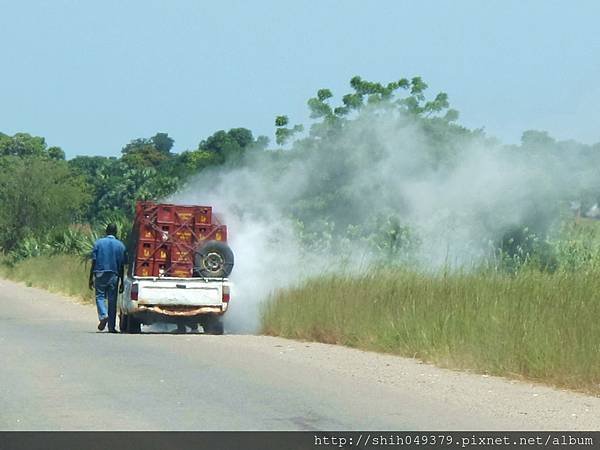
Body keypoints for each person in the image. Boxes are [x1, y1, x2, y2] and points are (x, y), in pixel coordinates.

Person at [89, 223, 127, 333]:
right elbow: (122, 265)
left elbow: (94, 262)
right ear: (115, 232)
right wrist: (122, 283)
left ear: (106, 231)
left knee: (100, 296)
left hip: (100, 273)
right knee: (112, 301)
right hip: (114, 275)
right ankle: (111, 327)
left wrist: (90, 278)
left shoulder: (98, 243)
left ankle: (103, 315)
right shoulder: (121, 245)